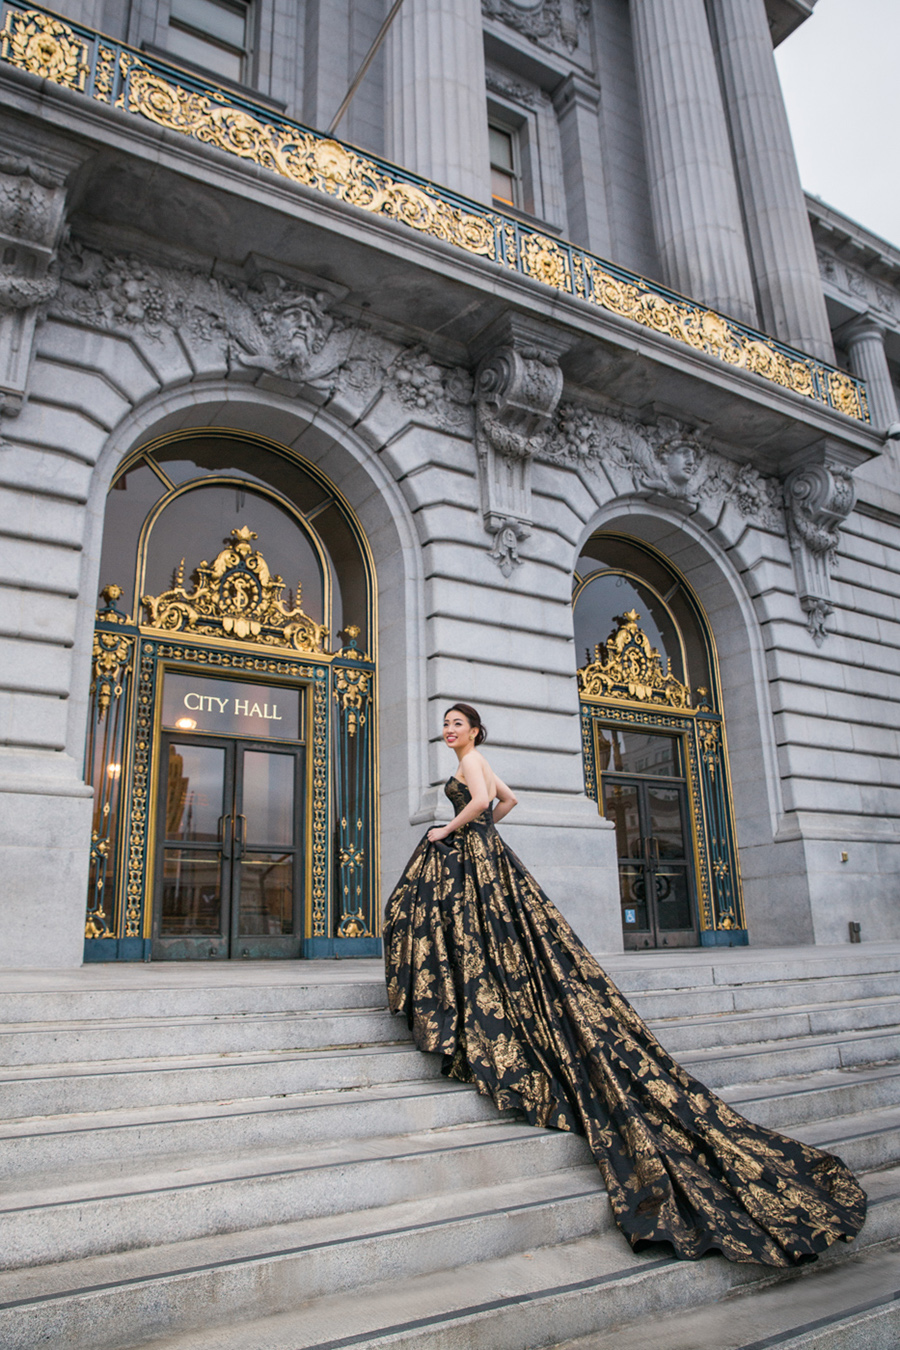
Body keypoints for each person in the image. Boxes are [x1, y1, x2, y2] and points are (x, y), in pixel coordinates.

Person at [383, 702, 866, 1267]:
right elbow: (509, 802)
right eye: (446, 724)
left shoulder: (473, 763)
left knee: (458, 927)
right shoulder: (480, 761)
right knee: (497, 940)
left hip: (476, 852)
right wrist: (483, 830)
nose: (448, 730)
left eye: (456, 724)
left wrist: (450, 828)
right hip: (488, 853)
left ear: (475, 731)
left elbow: (489, 803)